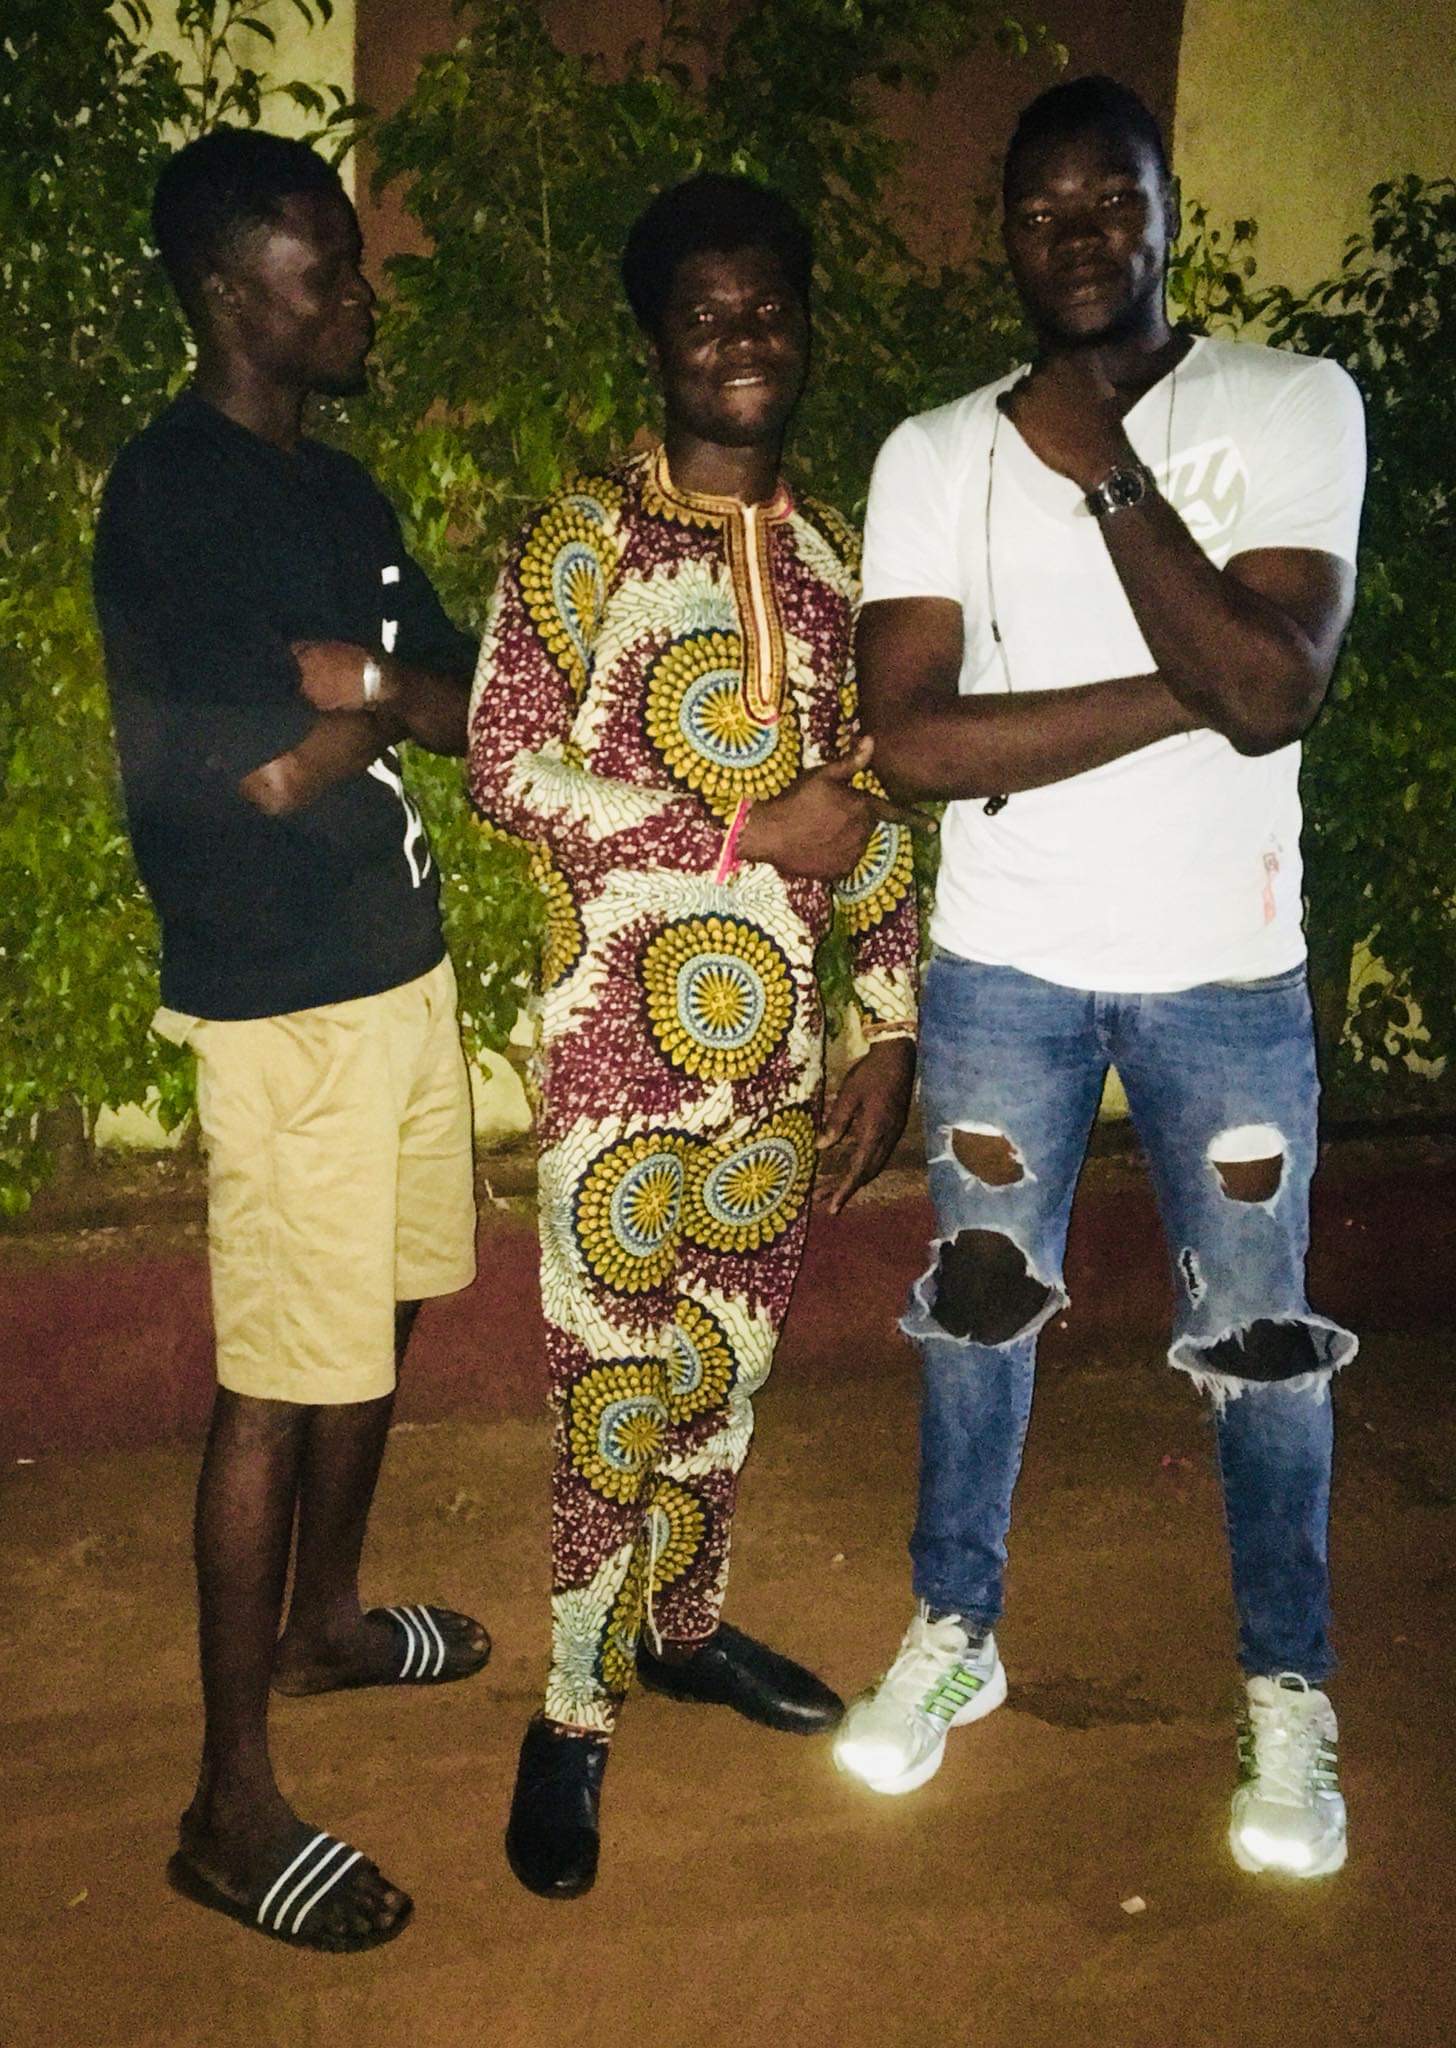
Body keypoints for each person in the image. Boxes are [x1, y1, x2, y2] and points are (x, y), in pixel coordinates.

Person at [833, 77, 1365, 1881]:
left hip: (1226, 973)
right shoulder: (933, 452)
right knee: (975, 1312)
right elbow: (914, 741)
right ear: (1005, 233)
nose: (1080, 236)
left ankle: (1286, 1690)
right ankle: (954, 1631)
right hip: (1009, 969)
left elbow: (1280, 688)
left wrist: (1108, 473)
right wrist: (1197, 689)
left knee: (1264, 1344)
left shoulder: (1291, 402)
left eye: (1112, 201)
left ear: (1167, 212)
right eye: (1044, 209)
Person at [467, 173, 925, 1899]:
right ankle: (570, 1713)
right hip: (618, 1046)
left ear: (806, 328)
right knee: (611, 1387)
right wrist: (734, 832)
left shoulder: (841, 566)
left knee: (727, 1361)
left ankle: (685, 1627)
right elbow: (507, 769)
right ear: (658, 343)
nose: (742, 340)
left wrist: (887, 1019)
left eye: (767, 309)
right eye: (705, 315)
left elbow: (877, 807)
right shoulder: (579, 540)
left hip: (776, 1050)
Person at [93, 128, 489, 1952]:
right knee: (276, 1376)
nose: (359, 297)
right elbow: (253, 772)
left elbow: (464, 702)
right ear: (224, 294)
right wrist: (358, 706)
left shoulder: (342, 493)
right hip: (287, 1007)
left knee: (380, 1315)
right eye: (324, 270)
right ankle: (226, 1806)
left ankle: (326, 1625)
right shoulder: (172, 498)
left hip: (399, 972)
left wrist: (374, 689)